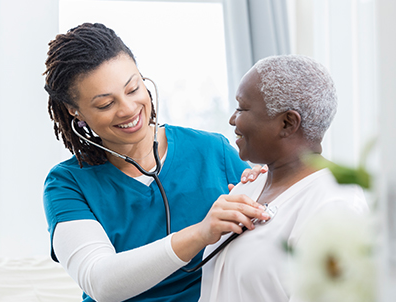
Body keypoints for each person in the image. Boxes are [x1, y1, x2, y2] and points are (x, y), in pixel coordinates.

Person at [42, 23, 268, 302]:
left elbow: (272, 229)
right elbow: (101, 282)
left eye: (133, 88)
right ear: (75, 111)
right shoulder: (67, 184)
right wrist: (201, 232)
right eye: (105, 104)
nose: (128, 109)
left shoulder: (211, 151)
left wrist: (270, 188)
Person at [199, 55, 369, 302]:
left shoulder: (335, 206)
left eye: (242, 108)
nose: (232, 120)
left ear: (288, 123)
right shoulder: (249, 186)